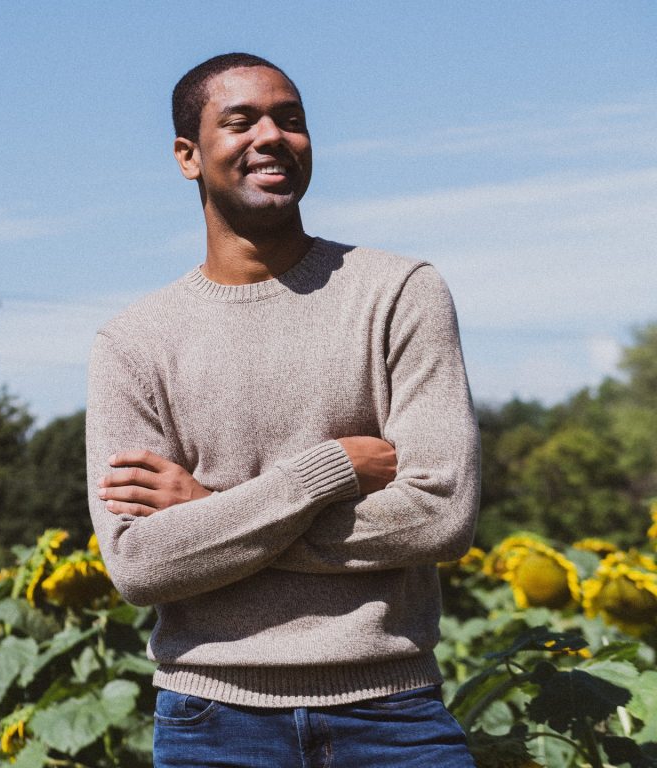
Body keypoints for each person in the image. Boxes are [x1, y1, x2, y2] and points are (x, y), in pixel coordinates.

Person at [85, 52, 480, 768]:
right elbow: (140, 566)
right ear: (188, 156)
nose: (272, 136)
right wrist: (326, 473)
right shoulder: (133, 344)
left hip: (392, 714)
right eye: (240, 122)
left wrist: (210, 507)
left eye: (290, 120)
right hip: (213, 723)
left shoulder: (399, 294)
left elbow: (441, 514)